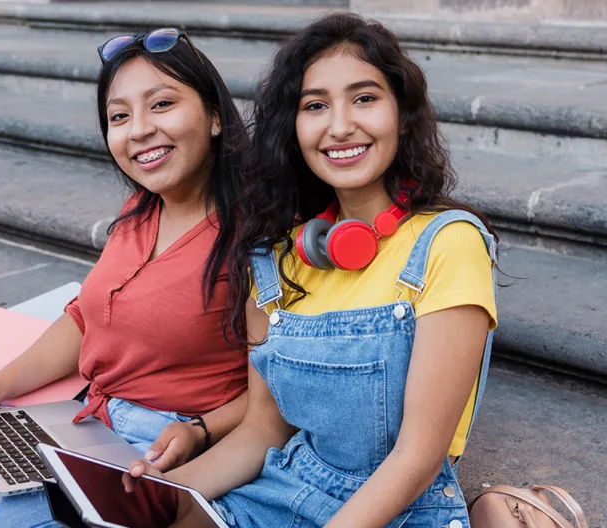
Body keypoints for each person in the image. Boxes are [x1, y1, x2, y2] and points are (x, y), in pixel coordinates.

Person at [129, 14, 499, 527]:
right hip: (283, 490)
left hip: (398, 510)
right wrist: (158, 497)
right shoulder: (277, 257)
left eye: (365, 98)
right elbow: (263, 431)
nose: (340, 125)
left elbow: (418, 457)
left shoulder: (449, 243)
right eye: (315, 106)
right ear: (294, 127)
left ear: (403, 116)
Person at [0, 28, 249, 527]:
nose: (137, 130)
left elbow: (288, 393)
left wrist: (203, 431)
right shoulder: (143, 208)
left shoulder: (255, 236)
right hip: (88, 422)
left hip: (163, 447)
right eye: (119, 116)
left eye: (161, 105)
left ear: (215, 117)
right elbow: (86, 317)